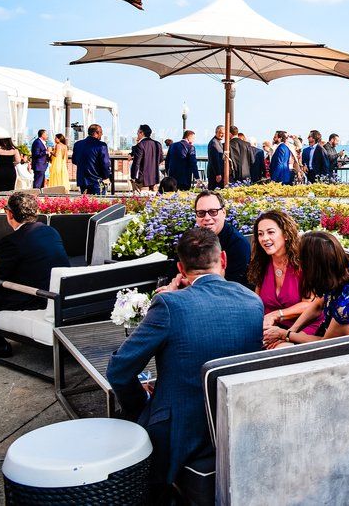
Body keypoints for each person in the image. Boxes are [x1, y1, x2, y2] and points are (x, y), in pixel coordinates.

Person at [106, 227, 262, 496]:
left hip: (183, 433)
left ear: (180, 268)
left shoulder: (169, 304)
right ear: (223, 259)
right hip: (237, 424)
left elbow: (119, 371)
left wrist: (142, 405)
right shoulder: (253, 301)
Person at [0, 192, 70, 358]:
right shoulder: (51, 231)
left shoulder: (12, 241)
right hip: (55, 292)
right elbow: (36, 261)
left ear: (9, 214)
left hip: (34, 296)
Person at [273, 231, 349, 345]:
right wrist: (291, 330)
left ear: (313, 265)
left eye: (300, 259)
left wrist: (285, 335)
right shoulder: (341, 271)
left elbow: (327, 345)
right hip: (332, 340)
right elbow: (318, 304)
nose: (299, 264)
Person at [251, 212, 325, 348]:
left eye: (270, 232)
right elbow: (257, 302)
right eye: (260, 234)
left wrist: (276, 315)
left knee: (281, 351)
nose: (264, 238)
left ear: (285, 235)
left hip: (303, 327)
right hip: (270, 327)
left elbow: (310, 304)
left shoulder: (303, 263)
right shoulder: (262, 263)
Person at [187, 190, 251, 285]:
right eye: (201, 213)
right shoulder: (192, 239)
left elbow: (230, 286)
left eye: (213, 212)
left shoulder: (238, 245)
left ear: (224, 212)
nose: (207, 218)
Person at [71, 124, 111, 195]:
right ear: (96, 133)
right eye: (101, 132)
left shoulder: (77, 144)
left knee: (85, 201)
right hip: (97, 180)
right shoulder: (101, 145)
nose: (102, 134)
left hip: (82, 180)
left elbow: (74, 160)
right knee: (99, 201)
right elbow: (105, 163)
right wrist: (106, 176)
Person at [130, 124, 163, 192]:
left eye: (138, 132)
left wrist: (133, 177)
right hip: (155, 177)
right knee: (154, 197)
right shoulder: (158, 144)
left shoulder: (141, 145)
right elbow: (160, 159)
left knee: (143, 197)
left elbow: (136, 163)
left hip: (143, 178)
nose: (137, 134)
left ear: (142, 133)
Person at [206, 125, 225, 189]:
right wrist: (218, 174)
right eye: (221, 133)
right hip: (214, 174)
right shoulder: (214, 143)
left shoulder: (218, 142)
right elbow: (214, 160)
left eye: (223, 133)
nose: (222, 135)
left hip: (216, 173)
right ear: (216, 132)